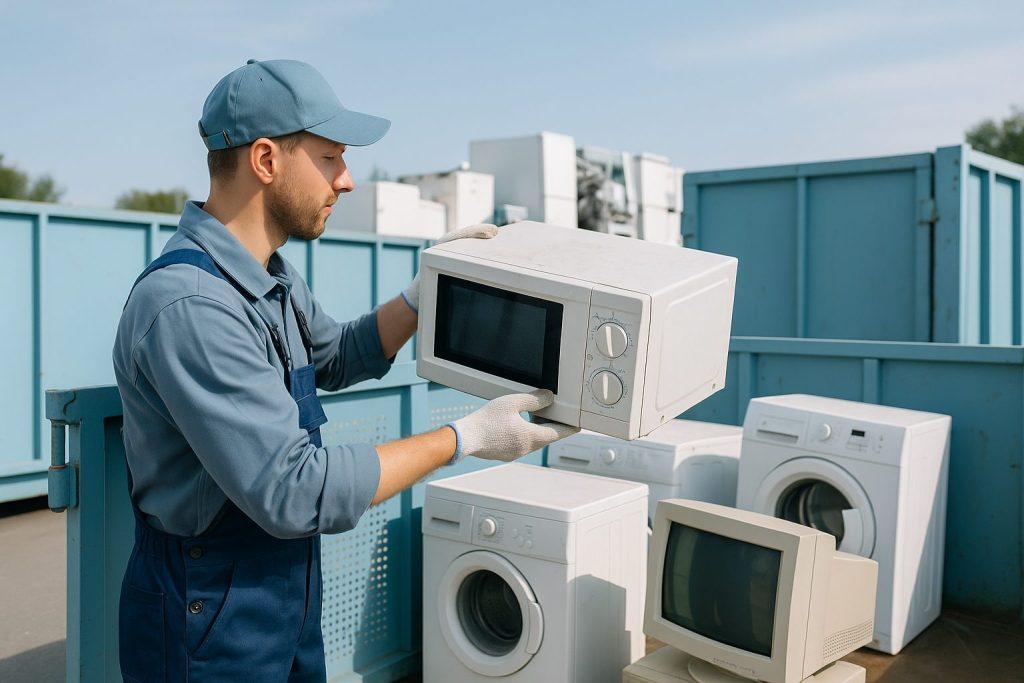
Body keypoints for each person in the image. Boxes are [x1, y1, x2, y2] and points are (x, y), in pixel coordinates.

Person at [111, 58, 578, 682]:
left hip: (278, 592)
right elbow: (293, 492)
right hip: (208, 611)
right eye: (331, 158)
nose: (347, 180)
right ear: (267, 160)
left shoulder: (268, 275)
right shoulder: (191, 307)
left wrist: (425, 292)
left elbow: (336, 356)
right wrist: (466, 438)